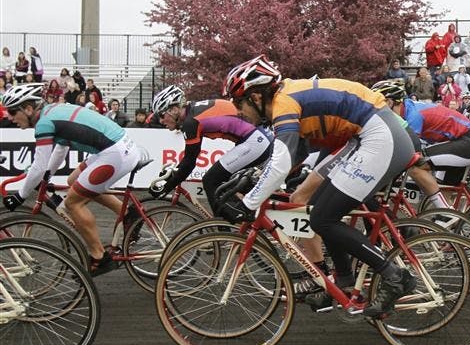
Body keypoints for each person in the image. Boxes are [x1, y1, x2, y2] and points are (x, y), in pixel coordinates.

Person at [219, 55, 416, 318]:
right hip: (365, 137)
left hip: (379, 137)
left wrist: (249, 202)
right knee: (316, 211)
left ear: (255, 97)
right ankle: (343, 278)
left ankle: (394, 277)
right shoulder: (285, 101)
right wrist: (254, 176)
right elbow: (292, 155)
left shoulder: (284, 103)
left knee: (323, 218)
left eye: (238, 103)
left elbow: (281, 164)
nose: (237, 112)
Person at [1, 83, 145, 276]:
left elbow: (38, 166)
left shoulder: (44, 123)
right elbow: (61, 149)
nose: (9, 117)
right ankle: (126, 213)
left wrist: (19, 196)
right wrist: (47, 177)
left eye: (12, 112)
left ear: (28, 109)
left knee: (72, 203)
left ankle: (99, 257)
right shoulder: (52, 111)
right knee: (72, 181)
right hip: (117, 148)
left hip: (114, 153)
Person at [149, 85, 274, 216]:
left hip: (255, 141)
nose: (161, 121)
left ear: (174, 110)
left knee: (210, 180)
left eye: (162, 115)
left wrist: (167, 187)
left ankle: (225, 230)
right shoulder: (193, 112)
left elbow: (189, 162)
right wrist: (174, 177)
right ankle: (246, 219)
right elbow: (189, 159)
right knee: (226, 182)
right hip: (259, 137)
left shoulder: (191, 122)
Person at [372, 79, 470, 205]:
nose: (376, 108)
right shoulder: (407, 109)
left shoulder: (414, 115)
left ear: (390, 102)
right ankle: (446, 217)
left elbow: (408, 150)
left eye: (378, 104)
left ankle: (445, 213)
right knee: (443, 188)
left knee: (414, 166)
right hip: (457, 143)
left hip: (467, 144)